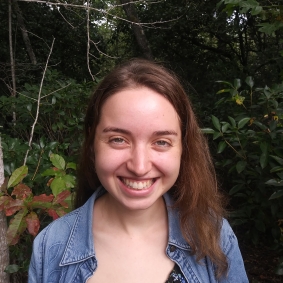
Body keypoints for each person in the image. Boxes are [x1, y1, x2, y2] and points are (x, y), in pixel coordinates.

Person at [28, 59, 248, 283]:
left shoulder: (215, 235)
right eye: (118, 139)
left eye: (161, 142)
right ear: (93, 140)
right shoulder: (50, 247)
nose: (140, 167)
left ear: (184, 147)